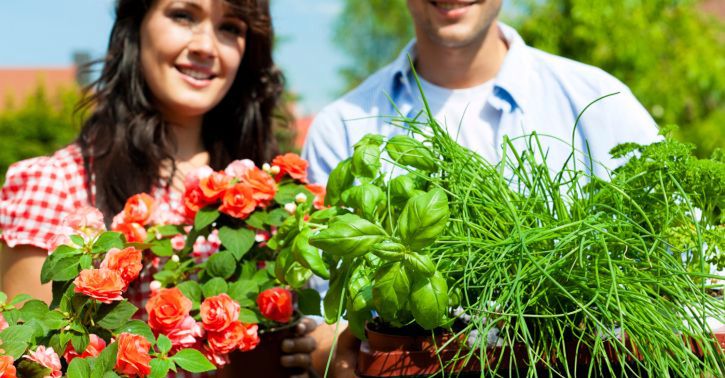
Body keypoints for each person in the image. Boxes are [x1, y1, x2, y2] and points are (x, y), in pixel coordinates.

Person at [302, 0, 661, 375]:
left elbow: (694, 287)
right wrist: (336, 359)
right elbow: (324, 315)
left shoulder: (600, 103)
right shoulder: (341, 127)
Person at [0, 0, 316, 376]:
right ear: (135, 26)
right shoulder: (56, 185)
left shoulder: (267, 192)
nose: (206, 45)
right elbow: (31, 362)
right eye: (183, 15)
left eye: (230, 27)